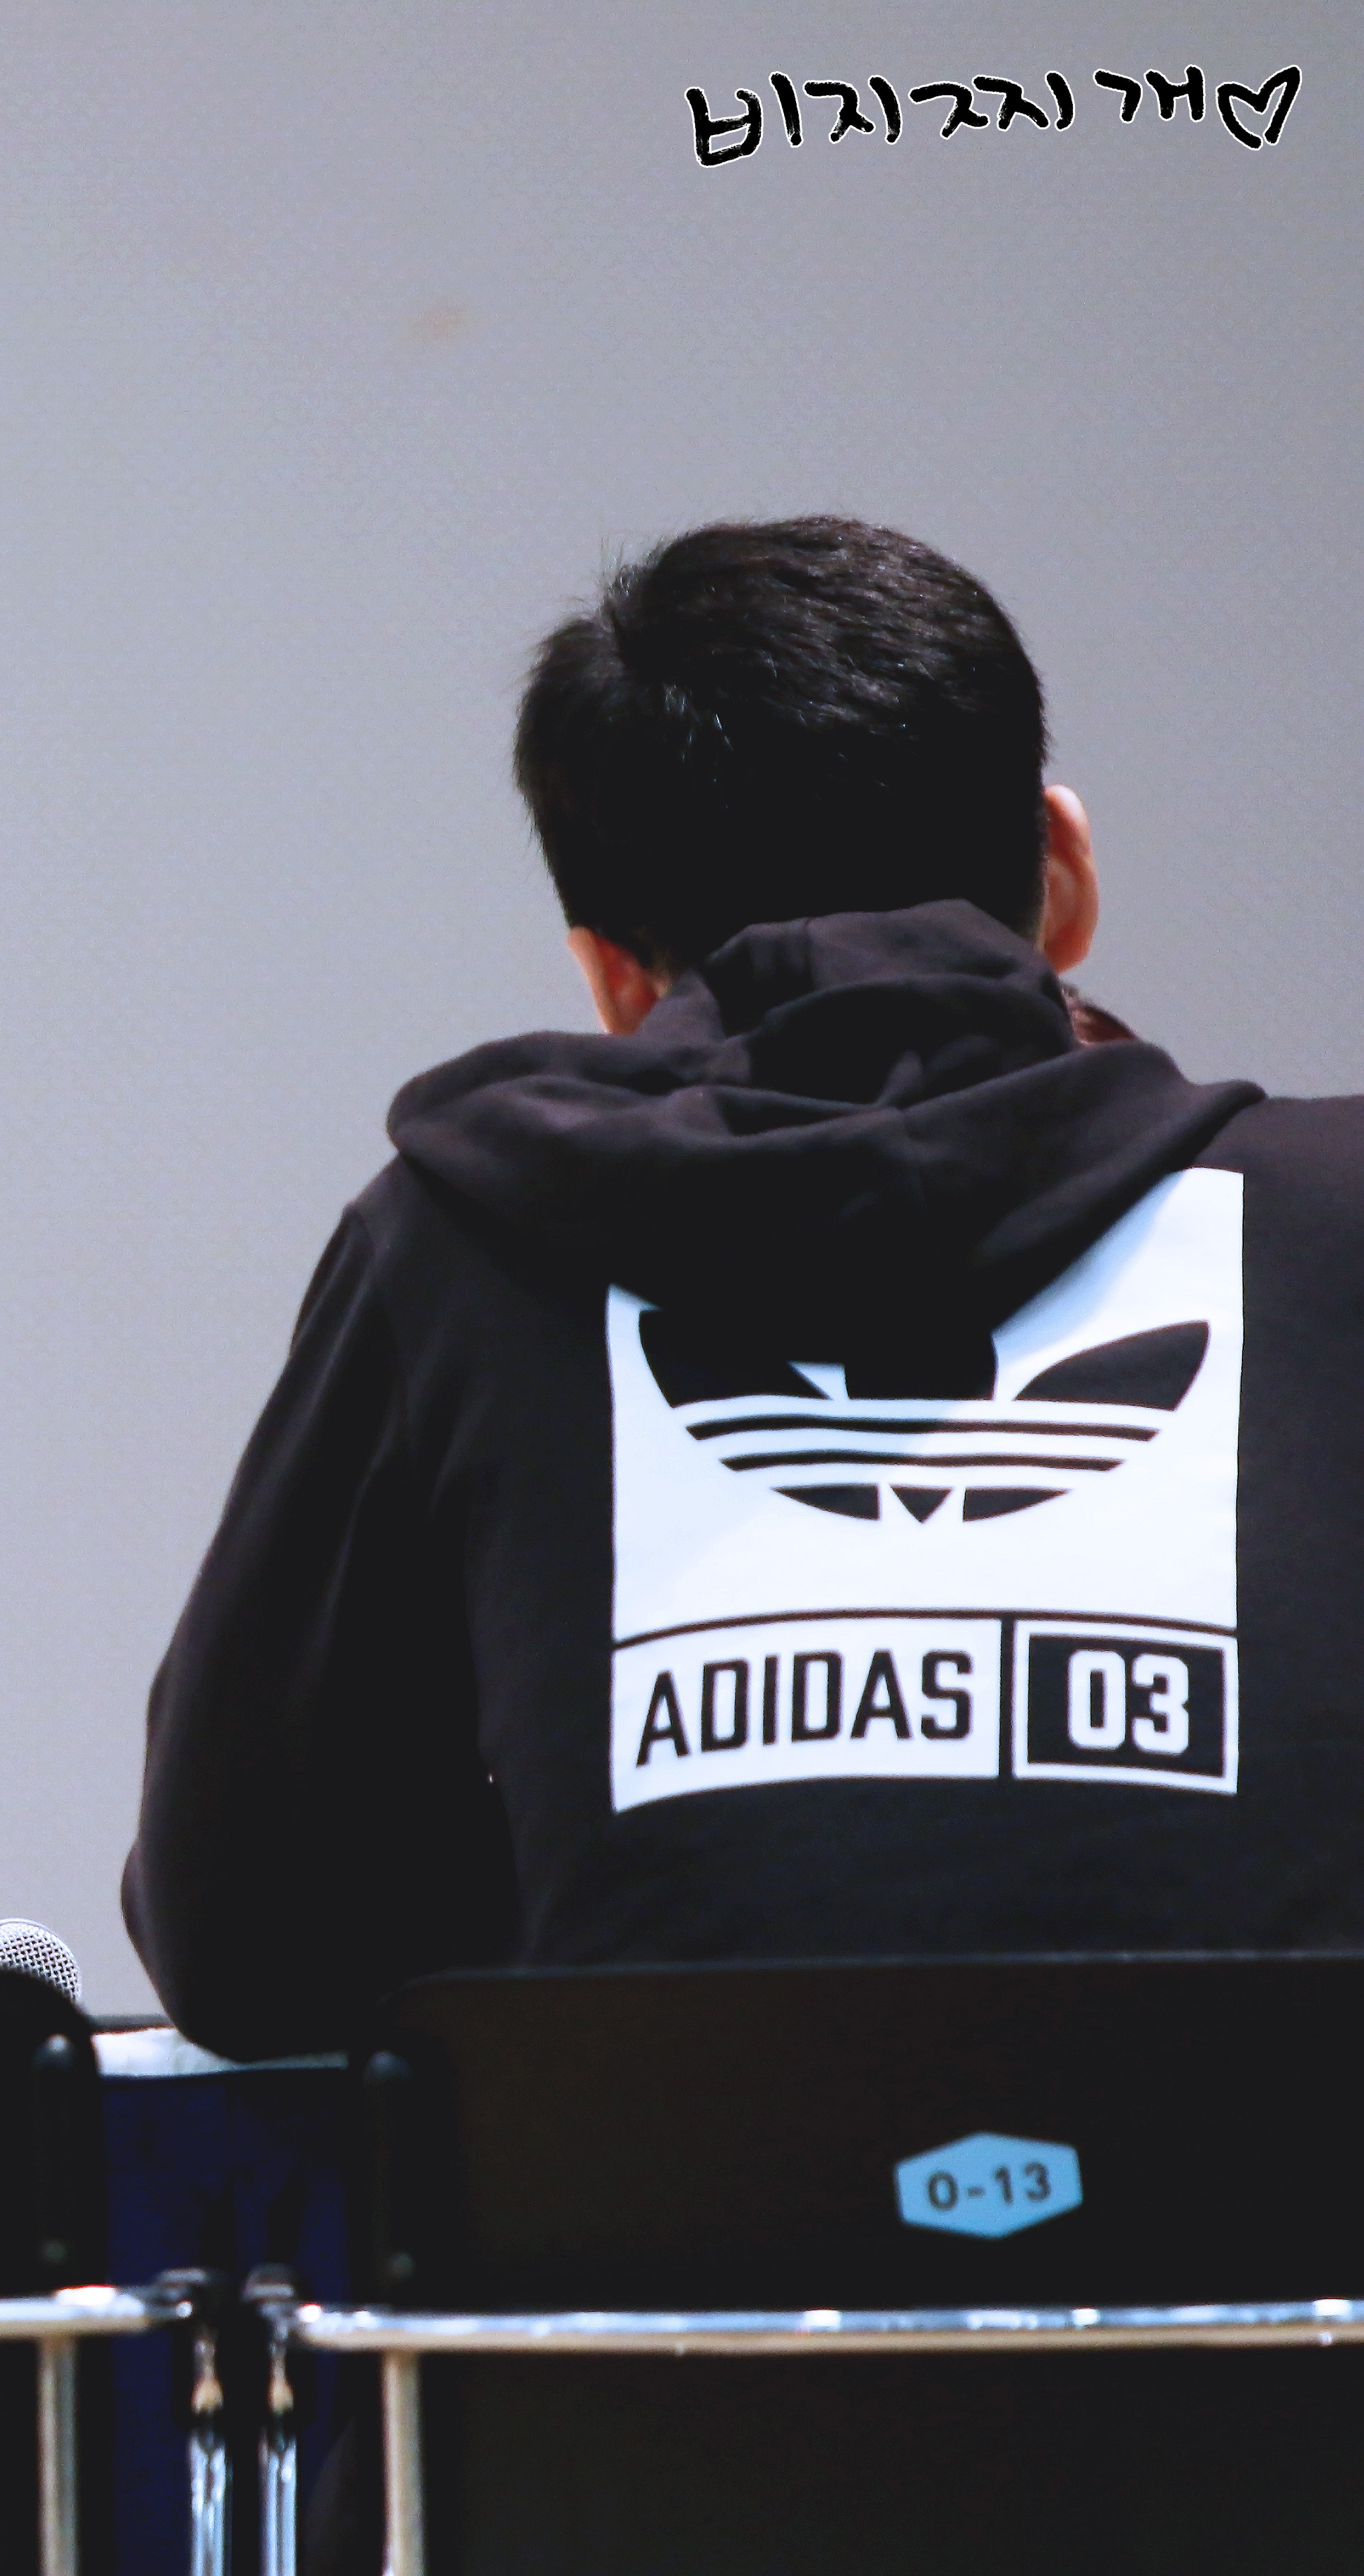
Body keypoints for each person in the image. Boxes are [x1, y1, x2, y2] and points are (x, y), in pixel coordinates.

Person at [124, 517, 1364, 2063]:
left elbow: (250, 1943)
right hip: (1272, 2219)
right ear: (1063, 877)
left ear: (614, 979)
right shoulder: (1338, 1222)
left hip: (664, 2215)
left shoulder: (459, 1254)